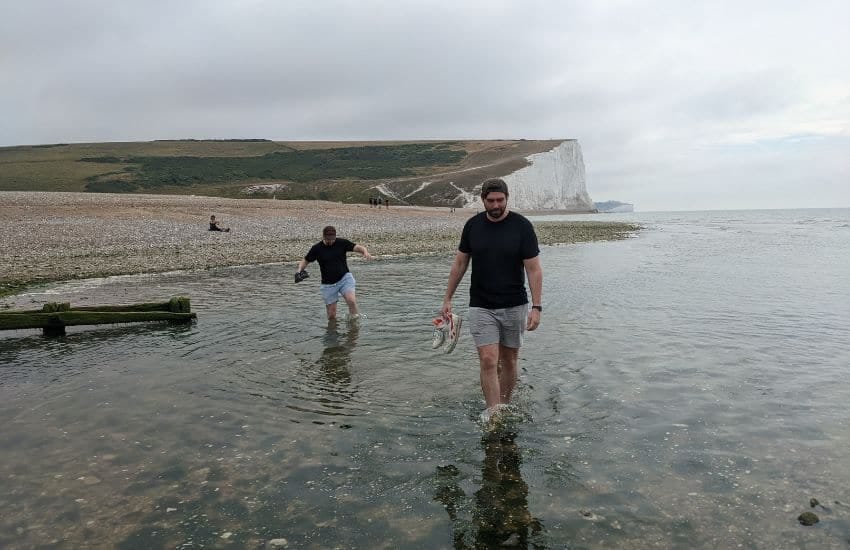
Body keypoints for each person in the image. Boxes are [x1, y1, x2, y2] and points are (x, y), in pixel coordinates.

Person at [441, 178, 543, 420]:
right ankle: (494, 412)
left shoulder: (522, 226)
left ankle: (505, 404)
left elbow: (534, 269)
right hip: (481, 304)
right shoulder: (472, 226)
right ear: (483, 200)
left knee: (508, 360)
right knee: (488, 360)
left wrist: (537, 307)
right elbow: (460, 263)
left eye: (500, 200)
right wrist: (447, 298)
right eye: (491, 201)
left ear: (507, 198)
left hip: (514, 303)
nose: (496, 205)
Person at [296, 225, 372, 320]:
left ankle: (355, 325)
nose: (331, 241)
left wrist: (365, 252)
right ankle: (332, 333)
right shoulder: (317, 248)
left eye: (332, 239)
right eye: (328, 240)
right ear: (323, 237)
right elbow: (305, 261)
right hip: (328, 284)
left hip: (345, 278)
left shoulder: (342, 243)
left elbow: (357, 247)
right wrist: (299, 271)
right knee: (331, 315)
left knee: (351, 301)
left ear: (335, 237)